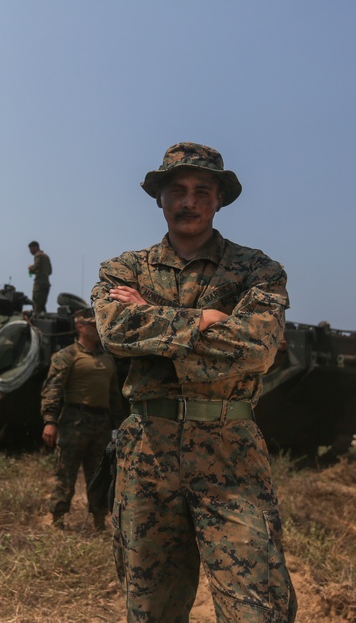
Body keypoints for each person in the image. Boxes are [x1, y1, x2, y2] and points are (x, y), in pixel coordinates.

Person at [91, 142, 297, 622]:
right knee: (151, 608)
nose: (189, 201)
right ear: (160, 198)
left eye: (202, 191)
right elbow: (115, 331)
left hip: (231, 454)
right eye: (177, 190)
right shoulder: (122, 269)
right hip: (148, 455)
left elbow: (256, 348)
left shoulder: (258, 271)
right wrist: (204, 319)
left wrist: (153, 320)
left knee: (257, 608)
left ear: (218, 199)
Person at [40, 308, 125, 531]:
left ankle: (99, 523)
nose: (98, 327)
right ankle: (57, 521)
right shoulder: (66, 356)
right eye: (92, 323)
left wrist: (121, 426)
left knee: (99, 475)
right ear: (80, 327)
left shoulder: (107, 358)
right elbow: (53, 390)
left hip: (101, 424)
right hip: (73, 422)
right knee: (64, 474)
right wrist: (50, 421)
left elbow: (115, 397)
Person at [27, 240, 52, 313]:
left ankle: (36, 321)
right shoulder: (46, 256)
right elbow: (50, 271)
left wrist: (30, 268)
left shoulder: (38, 255)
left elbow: (35, 267)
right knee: (42, 306)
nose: (30, 251)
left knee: (36, 304)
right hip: (46, 284)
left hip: (39, 284)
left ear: (36, 247)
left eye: (31, 249)